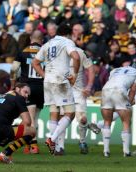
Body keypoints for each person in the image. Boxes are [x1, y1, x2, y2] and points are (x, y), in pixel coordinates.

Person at [32, 24, 80, 155]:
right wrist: (74, 75)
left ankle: (57, 149)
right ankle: (52, 139)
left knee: (54, 112)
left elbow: (34, 63)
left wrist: (44, 75)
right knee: (70, 113)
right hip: (61, 81)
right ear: (69, 34)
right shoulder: (67, 42)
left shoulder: (47, 44)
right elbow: (76, 57)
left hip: (48, 82)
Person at [0, 83, 36, 164]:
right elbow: (27, 121)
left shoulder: (3, 96)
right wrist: (19, 133)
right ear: (17, 89)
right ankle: (5, 154)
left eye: (28, 94)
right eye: (25, 92)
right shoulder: (18, 97)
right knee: (32, 131)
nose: (26, 96)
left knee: (4, 131)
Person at [56, 47, 95, 155]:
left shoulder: (80, 52)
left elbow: (91, 68)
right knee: (63, 119)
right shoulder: (57, 51)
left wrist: (89, 86)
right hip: (63, 91)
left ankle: (82, 142)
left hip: (78, 92)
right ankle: (61, 147)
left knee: (82, 119)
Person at [10, 30, 44, 154]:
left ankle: (32, 145)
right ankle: (30, 144)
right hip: (41, 88)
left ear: (31, 38)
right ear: (42, 40)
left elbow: (14, 70)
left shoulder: (23, 52)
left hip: (27, 88)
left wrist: (13, 85)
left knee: (29, 119)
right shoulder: (45, 51)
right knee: (35, 117)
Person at [100, 57, 136, 157]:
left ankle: (106, 151)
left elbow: (111, 80)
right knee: (126, 122)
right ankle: (126, 151)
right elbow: (134, 88)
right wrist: (129, 102)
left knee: (107, 122)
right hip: (119, 90)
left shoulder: (115, 70)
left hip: (106, 89)